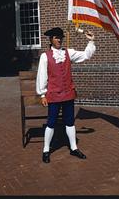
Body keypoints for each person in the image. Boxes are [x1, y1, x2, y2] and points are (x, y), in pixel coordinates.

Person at [36, 27, 96, 163]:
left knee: (70, 122)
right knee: (51, 123)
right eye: (56, 37)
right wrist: (42, 95)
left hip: (68, 94)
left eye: (60, 37)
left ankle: (74, 148)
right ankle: (46, 150)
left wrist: (91, 41)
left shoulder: (68, 52)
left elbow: (86, 55)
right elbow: (42, 77)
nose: (59, 40)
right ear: (51, 40)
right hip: (54, 95)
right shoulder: (45, 56)